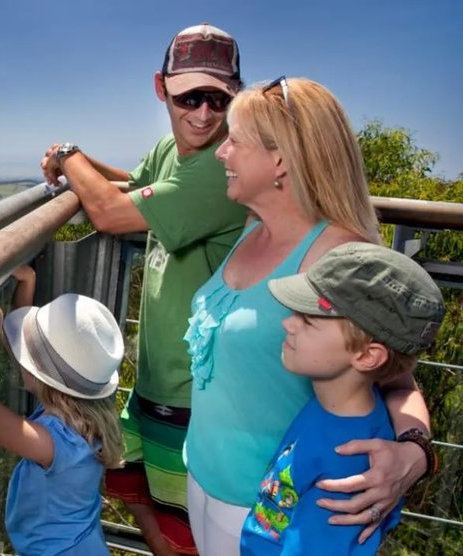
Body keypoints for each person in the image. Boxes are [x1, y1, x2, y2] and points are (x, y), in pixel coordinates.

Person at [183, 77, 436, 554]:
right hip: (204, 477)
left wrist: (413, 453)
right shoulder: (253, 228)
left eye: (235, 140)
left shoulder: (336, 256)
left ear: (279, 160)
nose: (222, 152)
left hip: (270, 511)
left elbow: (395, 376)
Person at [41, 23, 249, 555]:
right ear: (162, 88)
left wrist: (67, 157)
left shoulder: (220, 168)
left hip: (196, 388)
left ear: (236, 95)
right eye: (189, 97)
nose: (203, 114)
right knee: (144, 500)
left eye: (218, 99)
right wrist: (84, 161)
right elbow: (135, 188)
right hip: (162, 377)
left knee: (186, 533)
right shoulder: (172, 149)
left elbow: (112, 213)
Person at [236, 242, 445, 555]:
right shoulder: (335, 406)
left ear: (366, 356)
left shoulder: (348, 472)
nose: (287, 323)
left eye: (307, 321)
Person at [0, 266, 124, 555]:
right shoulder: (82, 419)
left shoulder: (53, 444)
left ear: (41, 376)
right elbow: (30, 354)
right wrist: (27, 281)